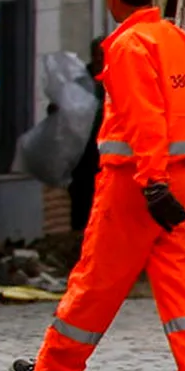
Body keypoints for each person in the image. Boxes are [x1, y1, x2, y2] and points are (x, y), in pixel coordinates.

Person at [12, 0, 185, 371]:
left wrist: (152, 182)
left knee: (94, 285)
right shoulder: (181, 43)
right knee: (184, 295)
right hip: (176, 185)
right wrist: (165, 183)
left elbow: (145, 119)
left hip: (136, 185)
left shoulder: (128, 46)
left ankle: (53, 367)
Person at [67, 38, 106, 232]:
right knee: (82, 204)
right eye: (99, 56)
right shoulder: (81, 83)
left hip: (105, 158)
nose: (102, 60)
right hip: (83, 158)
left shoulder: (117, 78)